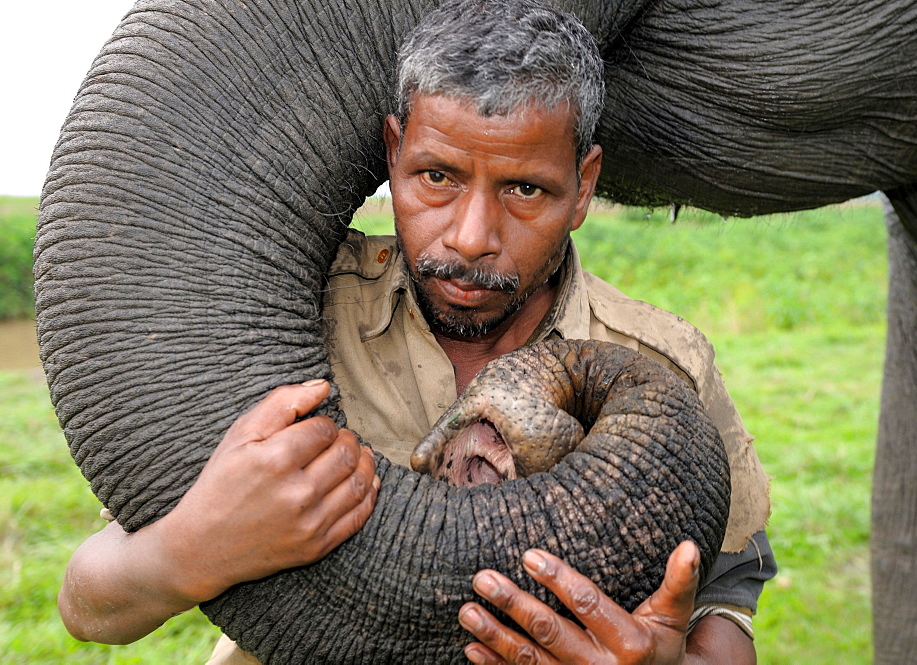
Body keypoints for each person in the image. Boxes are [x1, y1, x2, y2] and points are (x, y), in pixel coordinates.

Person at [58, 1, 776, 663]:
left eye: (525, 189)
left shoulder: (663, 365)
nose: (470, 238)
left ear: (583, 186)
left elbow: (728, 618)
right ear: (393, 152)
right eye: (437, 176)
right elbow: (88, 605)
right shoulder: (287, 325)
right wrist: (186, 551)